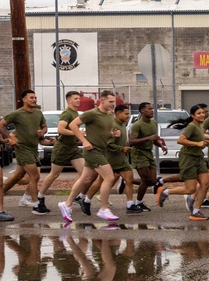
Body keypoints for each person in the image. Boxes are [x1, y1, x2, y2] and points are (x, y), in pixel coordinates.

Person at [60, 90, 122, 223]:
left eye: (114, 102)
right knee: (109, 177)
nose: (112, 104)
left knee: (85, 179)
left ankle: (67, 204)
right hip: (92, 151)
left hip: (101, 150)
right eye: (110, 102)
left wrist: (112, 135)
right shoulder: (92, 113)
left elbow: (102, 132)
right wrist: (84, 141)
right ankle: (103, 208)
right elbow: (73, 125)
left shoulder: (109, 115)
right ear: (102, 101)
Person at [156, 104, 209, 221]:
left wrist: (207, 142)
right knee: (190, 189)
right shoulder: (191, 126)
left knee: (205, 184)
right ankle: (166, 191)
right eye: (199, 113)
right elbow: (181, 140)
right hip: (188, 158)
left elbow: (198, 138)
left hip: (198, 157)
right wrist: (198, 144)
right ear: (193, 115)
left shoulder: (199, 125)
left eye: (203, 113)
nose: (202, 115)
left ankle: (195, 211)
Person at [0, 89, 50, 214]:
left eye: (35, 97)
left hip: (34, 149)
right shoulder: (17, 113)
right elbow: (0, 125)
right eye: (31, 97)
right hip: (22, 148)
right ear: (24, 99)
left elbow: (44, 126)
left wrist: (43, 132)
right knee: (35, 176)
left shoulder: (38, 113)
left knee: (18, 176)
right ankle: (37, 205)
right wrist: (11, 136)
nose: (34, 99)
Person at [37, 91, 88, 212]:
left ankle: (74, 197)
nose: (78, 100)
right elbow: (61, 130)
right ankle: (40, 198)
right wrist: (77, 133)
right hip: (62, 148)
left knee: (84, 172)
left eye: (79, 98)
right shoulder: (67, 113)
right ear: (69, 100)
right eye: (75, 98)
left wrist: (78, 138)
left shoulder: (76, 113)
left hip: (73, 148)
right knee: (54, 174)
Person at [128, 102, 168, 211]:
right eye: (149, 109)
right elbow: (131, 142)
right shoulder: (137, 125)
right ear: (142, 111)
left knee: (152, 181)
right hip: (138, 153)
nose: (152, 111)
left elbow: (154, 139)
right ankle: (138, 203)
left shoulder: (153, 123)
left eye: (152, 108)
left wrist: (161, 146)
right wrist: (148, 138)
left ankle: (127, 181)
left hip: (148, 153)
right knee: (145, 180)